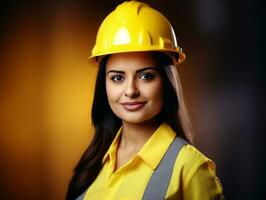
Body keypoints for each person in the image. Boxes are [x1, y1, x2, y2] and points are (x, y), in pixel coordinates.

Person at [67, 1, 224, 199]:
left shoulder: (190, 168)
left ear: (167, 82)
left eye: (146, 76)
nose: (131, 91)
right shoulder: (95, 165)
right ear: (103, 85)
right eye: (117, 78)